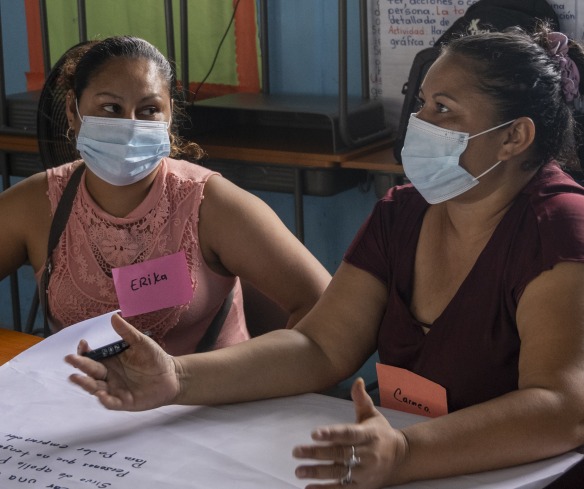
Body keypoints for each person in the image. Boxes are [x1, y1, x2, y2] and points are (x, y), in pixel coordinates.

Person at [65, 26, 584, 487]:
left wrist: (406, 453)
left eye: (443, 109)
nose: (417, 123)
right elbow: (319, 346)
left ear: (514, 137)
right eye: (422, 103)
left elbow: (562, 409)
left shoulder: (560, 228)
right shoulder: (402, 213)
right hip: (397, 460)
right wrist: (179, 378)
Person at [0, 35, 331, 354]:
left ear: (169, 115)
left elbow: (330, 309)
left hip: (208, 404)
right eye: (111, 108)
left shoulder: (210, 205)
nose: (129, 125)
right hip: (83, 402)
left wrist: (243, 378)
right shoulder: (38, 203)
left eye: (148, 110)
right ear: (73, 111)